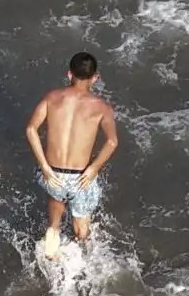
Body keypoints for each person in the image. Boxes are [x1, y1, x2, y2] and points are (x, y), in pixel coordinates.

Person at [24, 51, 120, 259]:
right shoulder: (101, 107)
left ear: (69, 74)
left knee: (55, 221)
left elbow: (31, 129)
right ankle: (83, 266)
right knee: (82, 230)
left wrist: (45, 166)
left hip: (53, 174)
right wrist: (94, 168)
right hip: (80, 178)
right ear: (95, 77)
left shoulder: (52, 98)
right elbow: (112, 142)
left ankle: (53, 239)